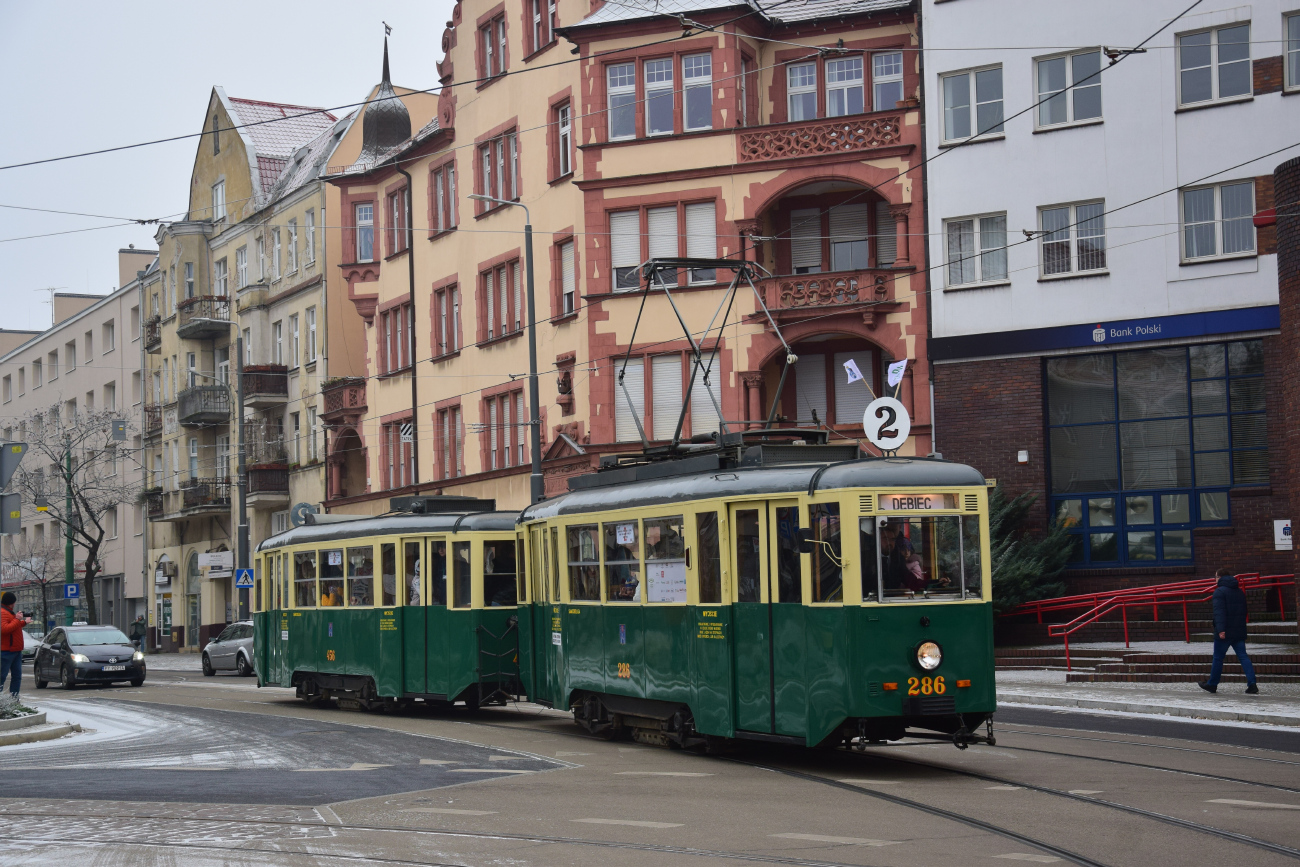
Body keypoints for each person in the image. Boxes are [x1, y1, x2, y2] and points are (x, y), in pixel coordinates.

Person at [1200, 568, 1259, 695]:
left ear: (1220, 577)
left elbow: (1219, 613)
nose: (1215, 579)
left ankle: (1212, 684)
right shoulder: (1239, 591)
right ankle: (1252, 683)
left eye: (1215, 577)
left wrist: (1221, 630)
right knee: (1243, 656)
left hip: (1225, 632)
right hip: (1238, 631)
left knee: (1218, 658)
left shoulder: (1219, 592)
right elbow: (1244, 611)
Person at [0, 592, 30, 697]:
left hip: (15, 650)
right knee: (2, 677)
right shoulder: (3, 612)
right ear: (11, 602)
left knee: (17, 677)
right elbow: (4, 629)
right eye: (14, 602)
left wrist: (24, 622)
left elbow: (13, 626)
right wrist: (17, 619)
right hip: (6, 651)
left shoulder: (9, 612)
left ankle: (14, 700)